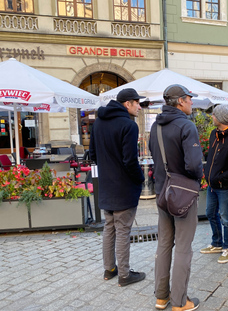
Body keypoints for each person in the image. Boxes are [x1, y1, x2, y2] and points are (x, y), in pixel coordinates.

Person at [149, 84, 203, 311]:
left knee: (164, 244)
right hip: (182, 194)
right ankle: (180, 302)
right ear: (180, 101)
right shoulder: (186, 126)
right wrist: (198, 178)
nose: (192, 102)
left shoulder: (155, 126)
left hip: (162, 190)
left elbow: (154, 156)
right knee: (183, 247)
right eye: (190, 99)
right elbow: (193, 165)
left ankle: (161, 297)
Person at [89, 88, 146, 287]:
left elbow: (93, 155)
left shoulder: (98, 123)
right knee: (122, 230)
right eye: (137, 103)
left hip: (106, 185)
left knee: (109, 228)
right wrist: (140, 178)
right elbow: (130, 160)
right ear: (127, 103)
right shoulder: (128, 125)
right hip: (123, 187)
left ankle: (109, 269)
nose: (139, 107)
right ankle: (124, 274)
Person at [200, 105, 228, 264]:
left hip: (226, 187)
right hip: (212, 185)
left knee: (226, 218)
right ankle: (217, 243)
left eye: (214, 115)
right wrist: (207, 174)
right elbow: (211, 157)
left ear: (222, 118)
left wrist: (220, 177)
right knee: (210, 213)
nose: (212, 117)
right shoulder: (214, 134)